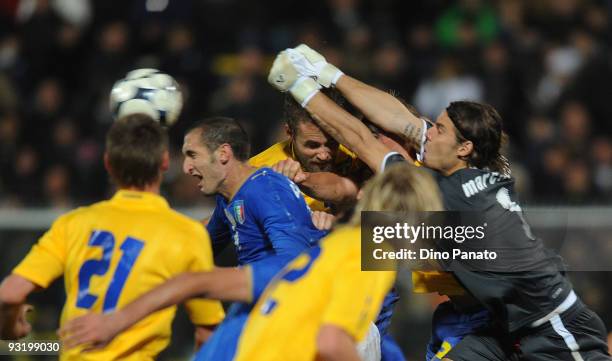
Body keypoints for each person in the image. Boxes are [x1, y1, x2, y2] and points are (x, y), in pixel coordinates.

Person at [268, 44, 611, 361]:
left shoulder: (450, 192)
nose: (428, 132)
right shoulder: (476, 167)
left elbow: (362, 145)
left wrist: (302, 89)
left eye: (439, 130)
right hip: (499, 325)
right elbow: (400, 122)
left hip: (551, 326)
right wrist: (329, 73)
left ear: (463, 148)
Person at [60, 163, 444, 361]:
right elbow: (332, 342)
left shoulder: (315, 256)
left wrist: (115, 320)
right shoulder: (366, 263)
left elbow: (198, 281)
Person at [0, 114, 225, 360]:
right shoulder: (186, 234)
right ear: (163, 163)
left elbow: (9, 293)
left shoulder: (74, 223)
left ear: (108, 163)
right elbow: (208, 331)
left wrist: (11, 327)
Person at [181, 116, 328, 360]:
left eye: (192, 155)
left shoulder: (267, 190)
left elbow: (298, 266)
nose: (186, 167)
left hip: (285, 320)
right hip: (258, 310)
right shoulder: (231, 196)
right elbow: (201, 245)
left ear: (223, 154)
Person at [249, 92, 365, 212]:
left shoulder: (359, 158)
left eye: (332, 142)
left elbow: (382, 227)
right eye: (313, 145)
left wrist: (337, 222)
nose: (324, 155)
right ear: (290, 132)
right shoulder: (256, 172)